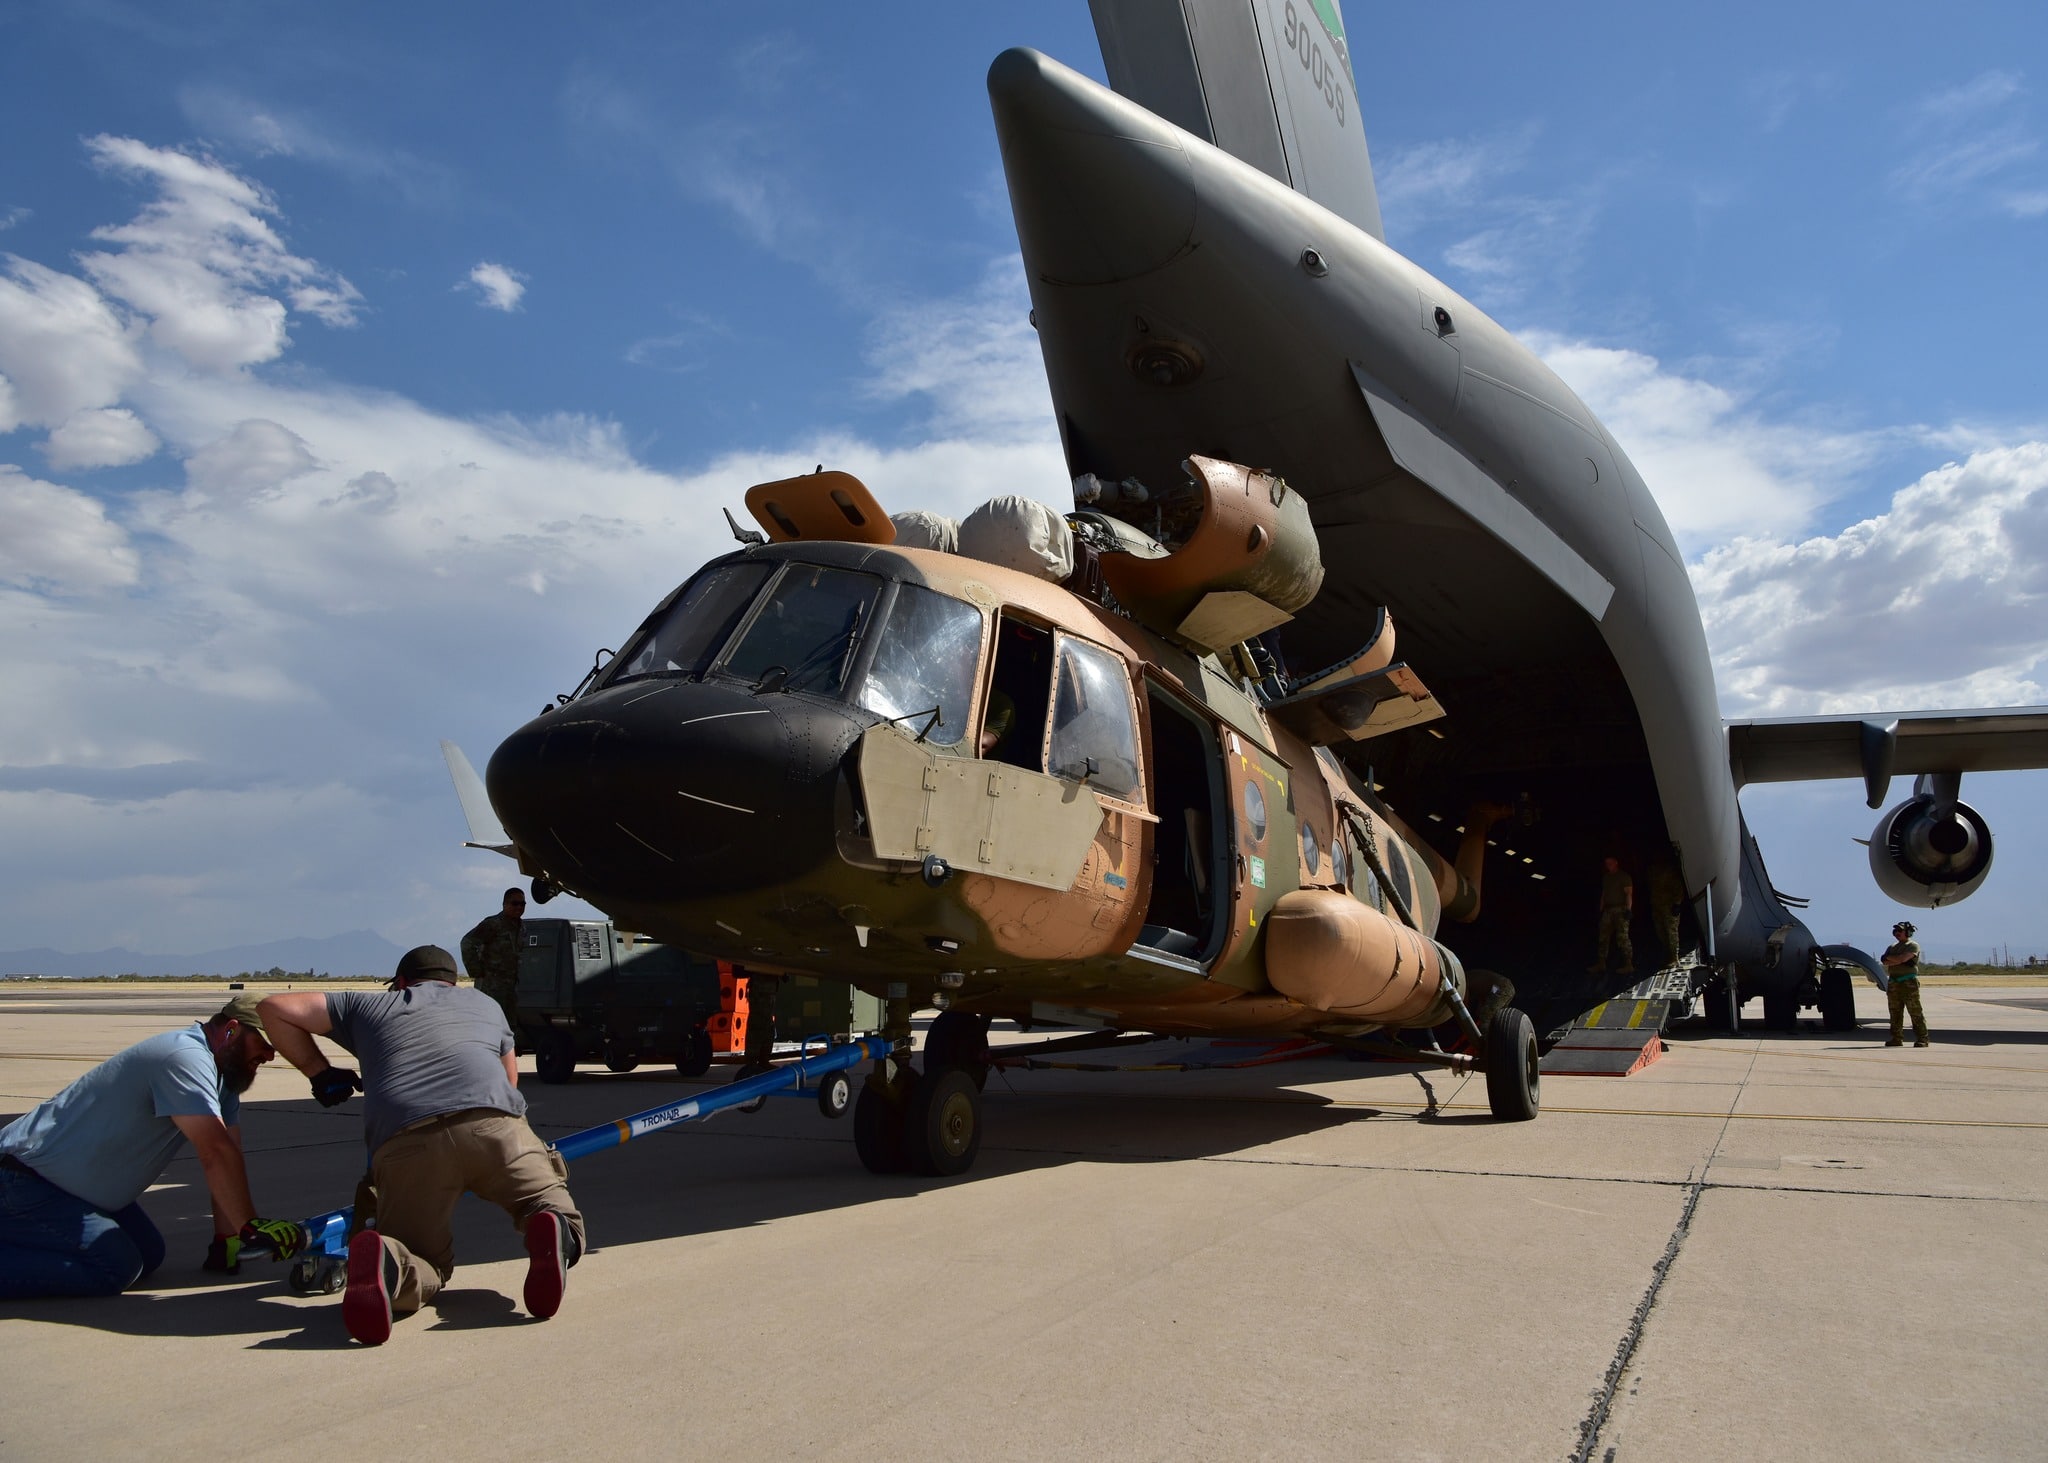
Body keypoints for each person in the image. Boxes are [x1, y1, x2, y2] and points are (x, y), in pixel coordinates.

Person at [259, 945, 585, 1346]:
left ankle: (389, 1265)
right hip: (495, 1129)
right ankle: (548, 1229)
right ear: (453, 982)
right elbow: (510, 1081)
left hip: (407, 1141)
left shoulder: (367, 1006)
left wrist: (320, 1072)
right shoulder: (486, 1005)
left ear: (399, 983)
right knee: (549, 1206)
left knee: (424, 1259)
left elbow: (272, 1007)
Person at [0, 995, 306, 1299]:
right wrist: (251, 1225)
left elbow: (229, 1153)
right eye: (265, 1044)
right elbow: (214, 1151)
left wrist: (228, 1237)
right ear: (231, 1031)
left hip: (74, 1192)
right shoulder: (184, 1058)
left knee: (150, 1254)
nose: (271, 1055)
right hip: (26, 1181)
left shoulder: (224, 1077)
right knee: (116, 1268)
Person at [460, 887, 526, 1030]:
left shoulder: (521, 927)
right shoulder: (493, 924)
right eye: (515, 903)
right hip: (491, 988)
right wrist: (477, 971)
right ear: (505, 904)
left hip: (510, 989)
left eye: (522, 904)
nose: (519, 907)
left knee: (508, 1029)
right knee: (489, 1026)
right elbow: (467, 943)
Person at [1881, 920, 1930, 1047]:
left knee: (1915, 1011)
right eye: (1896, 930)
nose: (1897, 933)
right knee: (1895, 1012)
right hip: (1894, 982)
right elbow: (1885, 961)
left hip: (1908, 982)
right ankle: (1896, 1038)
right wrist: (1898, 960)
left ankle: (1922, 1039)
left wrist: (1896, 959)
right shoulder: (1892, 947)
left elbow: (1902, 958)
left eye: (1900, 931)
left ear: (1907, 932)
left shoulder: (1912, 945)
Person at [1587, 855, 1635, 976]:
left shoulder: (1624, 876)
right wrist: (1600, 909)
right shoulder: (1606, 877)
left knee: (1623, 937)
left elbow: (1629, 893)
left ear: (1616, 863)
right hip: (1608, 910)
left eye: (1610, 863)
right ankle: (1601, 963)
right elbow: (1604, 894)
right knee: (1603, 937)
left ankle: (1628, 964)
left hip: (1620, 909)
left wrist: (1629, 909)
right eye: (1606, 863)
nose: (1608, 865)